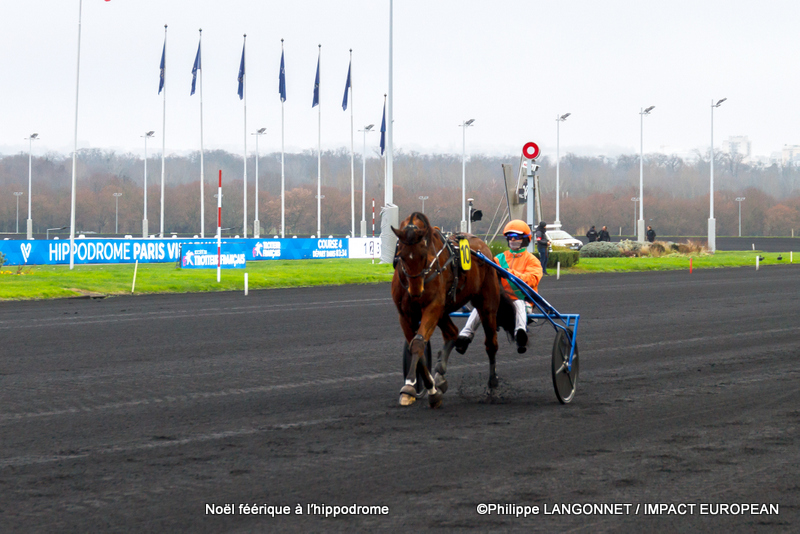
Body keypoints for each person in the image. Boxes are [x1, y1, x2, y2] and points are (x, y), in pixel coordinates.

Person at [455, 220, 543, 355]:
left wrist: (509, 273)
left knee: (518, 303)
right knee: (481, 305)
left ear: (525, 239)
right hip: (500, 301)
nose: (512, 239)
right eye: (510, 237)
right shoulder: (499, 258)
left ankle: (520, 334)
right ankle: (465, 336)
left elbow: (532, 279)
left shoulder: (532, 260)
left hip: (522, 301)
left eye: (516, 237)